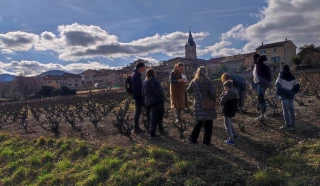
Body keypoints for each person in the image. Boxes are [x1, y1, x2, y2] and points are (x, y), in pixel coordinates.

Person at [186, 66, 216, 146]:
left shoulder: (194, 82)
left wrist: (194, 95)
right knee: (209, 124)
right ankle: (206, 142)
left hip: (198, 105)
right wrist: (212, 100)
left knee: (199, 122)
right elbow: (213, 93)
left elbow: (188, 90)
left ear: (197, 72)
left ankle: (193, 139)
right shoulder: (208, 82)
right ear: (205, 72)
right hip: (208, 104)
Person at [142, 68, 167, 139]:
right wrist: (163, 99)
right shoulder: (154, 81)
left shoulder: (144, 82)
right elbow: (160, 92)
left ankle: (161, 130)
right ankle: (152, 133)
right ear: (154, 73)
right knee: (155, 117)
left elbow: (143, 93)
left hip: (148, 102)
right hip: (156, 101)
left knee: (155, 116)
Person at [275, 65, 300, 130]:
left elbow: (277, 85)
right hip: (290, 96)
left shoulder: (280, 76)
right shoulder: (293, 77)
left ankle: (288, 125)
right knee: (291, 109)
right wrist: (292, 93)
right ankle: (293, 124)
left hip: (284, 96)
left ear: (283, 69)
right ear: (289, 69)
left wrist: (280, 94)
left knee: (285, 110)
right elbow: (297, 87)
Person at [252, 54, 272, 121]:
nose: (253, 60)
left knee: (261, 99)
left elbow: (266, 76)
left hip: (261, 84)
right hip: (259, 84)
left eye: (253, 59)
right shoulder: (257, 66)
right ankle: (263, 114)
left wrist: (264, 84)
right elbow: (255, 77)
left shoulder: (261, 66)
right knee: (260, 99)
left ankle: (263, 115)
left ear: (257, 59)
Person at [220, 80, 239, 146]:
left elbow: (222, 102)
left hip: (227, 110)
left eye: (224, 87)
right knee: (229, 123)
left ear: (227, 87)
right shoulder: (235, 91)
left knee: (227, 125)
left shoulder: (227, 94)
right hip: (232, 110)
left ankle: (231, 140)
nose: (224, 88)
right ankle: (235, 135)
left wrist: (223, 95)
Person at [131, 62, 146, 133]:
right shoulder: (135, 75)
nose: (144, 68)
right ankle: (136, 128)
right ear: (140, 67)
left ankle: (137, 127)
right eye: (143, 67)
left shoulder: (137, 74)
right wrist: (143, 94)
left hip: (138, 96)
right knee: (139, 111)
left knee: (139, 111)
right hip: (139, 96)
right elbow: (137, 87)